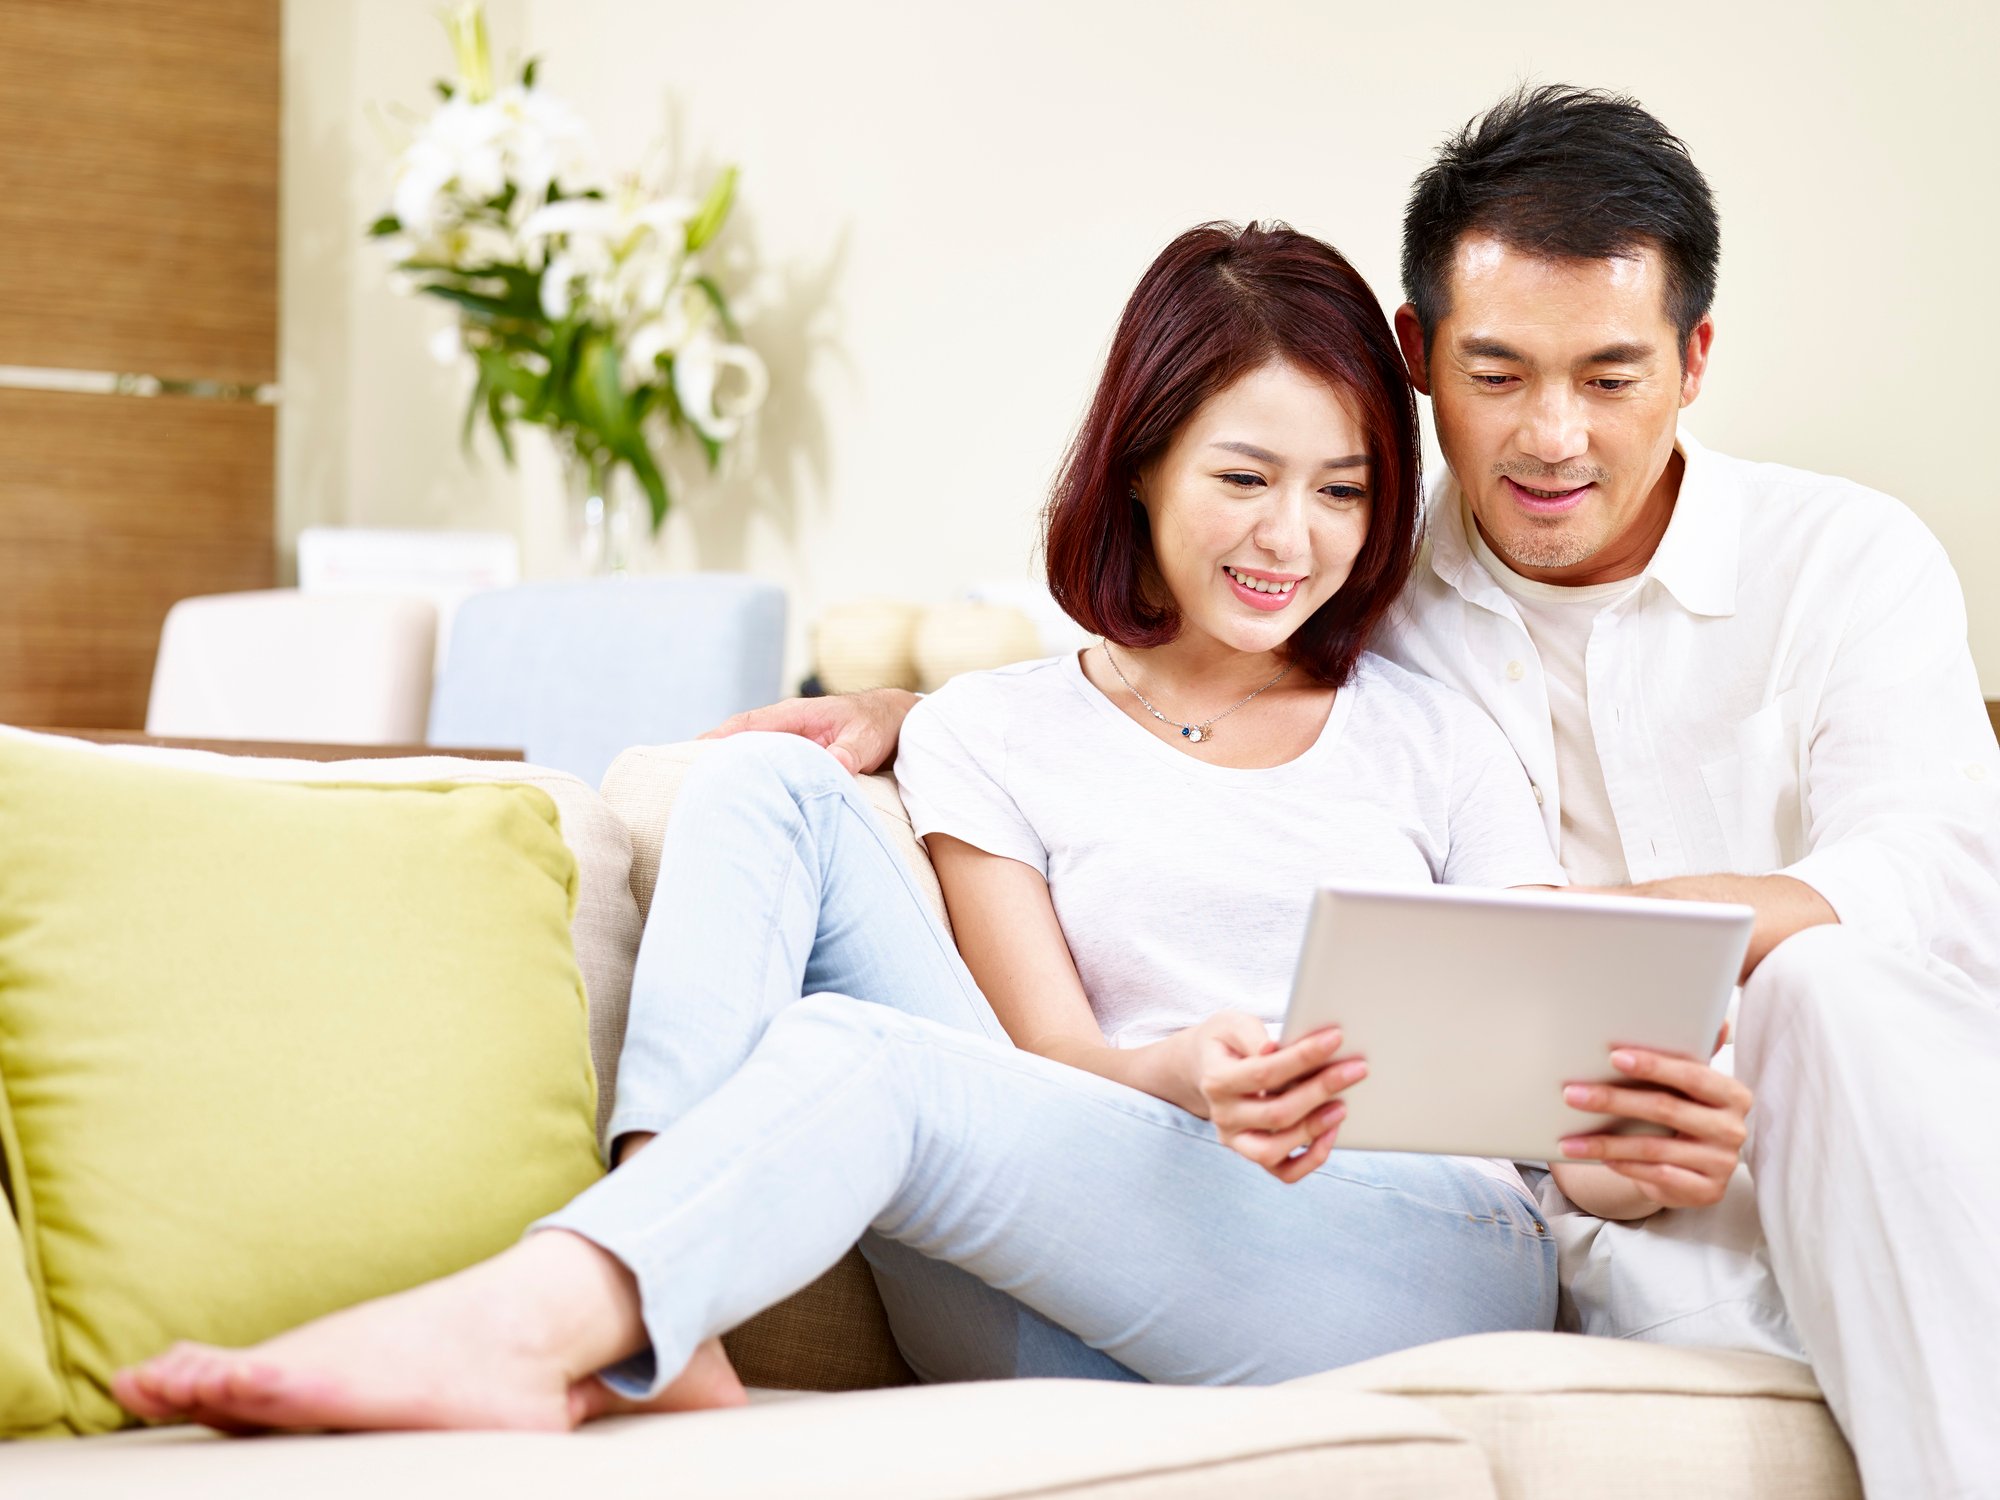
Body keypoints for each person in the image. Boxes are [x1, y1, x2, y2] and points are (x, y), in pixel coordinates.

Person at [109, 222, 1756, 1435]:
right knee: (768, 782)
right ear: (1138, 471)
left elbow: (1535, 1094)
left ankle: (548, 1312)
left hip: (1404, 1253)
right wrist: (1185, 1071)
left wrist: (1622, 1154)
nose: (1295, 537)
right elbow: (1040, 1062)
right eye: (1245, 477)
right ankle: (665, 1292)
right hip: (1075, 1277)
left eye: (1342, 489)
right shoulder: (996, 731)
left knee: (864, 1058)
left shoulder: (1434, 728)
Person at [704, 87, 2000, 1500]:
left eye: (1610, 378)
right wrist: (922, 708)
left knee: (1826, 987)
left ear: (1694, 360)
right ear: (1418, 354)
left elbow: (1941, 877)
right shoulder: (1362, 577)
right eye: (1497, 376)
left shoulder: (1842, 560)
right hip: (1583, 1219)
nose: (1553, 438)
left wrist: (1592, 944)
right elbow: (1168, 633)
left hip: (1850, 1153)